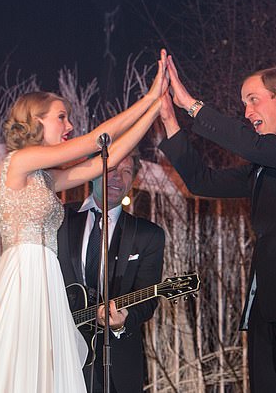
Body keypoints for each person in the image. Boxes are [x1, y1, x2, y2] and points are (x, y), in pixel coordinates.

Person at [0, 50, 168, 393]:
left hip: (46, 282)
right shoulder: (20, 161)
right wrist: (148, 97)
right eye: (61, 117)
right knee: (21, 371)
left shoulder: (44, 177)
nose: (69, 125)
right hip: (25, 278)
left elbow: (109, 156)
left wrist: (155, 110)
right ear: (35, 120)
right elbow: (95, 141)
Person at [157, 56, 276, 392]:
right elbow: (202, 181)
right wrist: (170, 121)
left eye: (253, 99)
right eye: (244, 104)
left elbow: (258, 147)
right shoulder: (262, 165)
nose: (246, 113)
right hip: (265, 307)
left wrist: (191, 104)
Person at [57, 149, 165, 393]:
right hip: (59, 355)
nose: (118, 177)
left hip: (117, 364)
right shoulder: (59, 219)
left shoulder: (148, 235)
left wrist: (121, 323)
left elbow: (147, 301)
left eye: (127, 172)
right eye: (112, 168)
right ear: (94, 172)